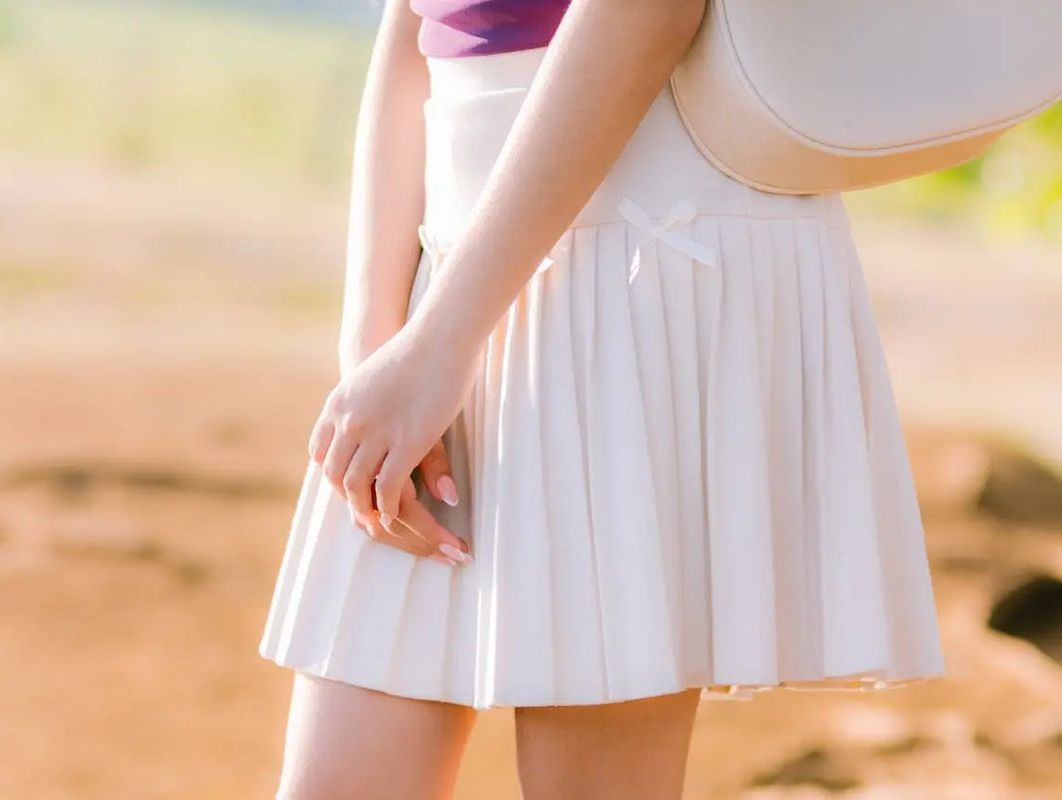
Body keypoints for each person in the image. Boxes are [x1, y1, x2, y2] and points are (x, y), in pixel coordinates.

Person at [261, 1, 945, 797]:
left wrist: (438, 341)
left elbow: (646, 11)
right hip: (448, 281)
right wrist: (378, 343)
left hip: (637, 248)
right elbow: (410, 23)